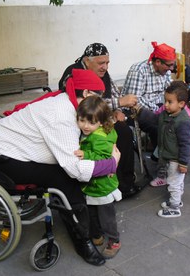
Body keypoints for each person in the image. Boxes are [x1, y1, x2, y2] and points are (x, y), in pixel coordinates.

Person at [0, 69, 120, 266]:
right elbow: (76, 169)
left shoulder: (69, 103)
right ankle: (83, 241)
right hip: (0, 155)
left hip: (6, 143)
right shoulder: (62, 115)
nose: (102, 102)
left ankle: (83, 223)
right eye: (100, 96)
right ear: (87, 93)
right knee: (66, 179)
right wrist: (110, 164)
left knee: (66, 171)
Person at [59, 43, 141, 199]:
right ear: (87, 61)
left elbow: (114, 94)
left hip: (102, 117)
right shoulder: (73, 73)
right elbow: (82, 103)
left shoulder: (104, 74)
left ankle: (124, 181)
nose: (105, 67)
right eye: (101, 63)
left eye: (107, 63)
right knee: (120, 133)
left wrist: (117, 110)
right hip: (83, 120)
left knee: (124, 130)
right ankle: (109, 178)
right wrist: (119, 103)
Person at [74, 95, 122, 258]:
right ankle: (97, 236)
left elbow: (104, 160)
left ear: (101, 122)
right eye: (81, 120)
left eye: (91, 122)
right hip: (93, 185)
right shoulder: (94, 133)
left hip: (102, 186)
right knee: (92, 213)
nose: (85, 126)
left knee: (106, 217)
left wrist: (86, 154)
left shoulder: (100, 137)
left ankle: (114, 240)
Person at [121, 41, 176, 149]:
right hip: (135, 110)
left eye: (172, 64)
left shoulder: (165, 70)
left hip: (156, 107)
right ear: (158, 62)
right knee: (162, 126)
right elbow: (134, 101)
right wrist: (159, 110)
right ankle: (161, 157)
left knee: (181, 121)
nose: (172, 68)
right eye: (169, 65)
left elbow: (172, 90)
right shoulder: (139, 70)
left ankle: (171, 156)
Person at [155, 81, 190, 218]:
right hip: (170, 157)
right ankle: (176, 201)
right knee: (176, 181)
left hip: (176, 159)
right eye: (165, 101)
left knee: (173, 183)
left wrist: (183, 163)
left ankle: (175, 207)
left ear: (181, 104)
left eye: (170, 102)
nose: (165, 105)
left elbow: (186, 144)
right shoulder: (167, 114)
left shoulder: (183, 121)